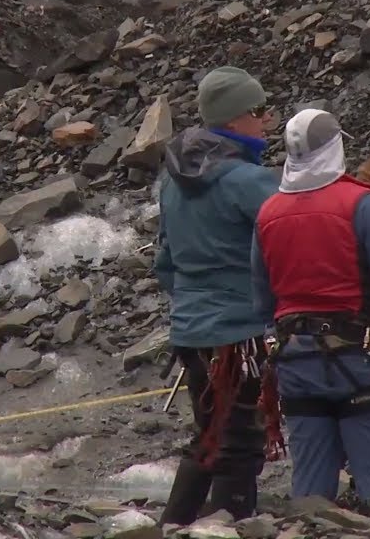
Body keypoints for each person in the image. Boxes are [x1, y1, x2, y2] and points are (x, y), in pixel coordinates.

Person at [252, 108, 370, 503]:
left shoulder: (267, 214)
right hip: (357, 363)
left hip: (295, 364)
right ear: (335, 148)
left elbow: (263, 301)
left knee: (311, 492)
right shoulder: (361, 206)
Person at [153, 66, 281, 526]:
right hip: (238, 332)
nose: (267, 120)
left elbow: (163, 264)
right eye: (259, 110)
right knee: (241, 442)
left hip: (190, 331)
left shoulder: (172, 181)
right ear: (234, 119)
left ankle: (173, 525)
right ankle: (226, 526)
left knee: (209, 436)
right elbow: (289, 246)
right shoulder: (250, 182)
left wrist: (193, 303)